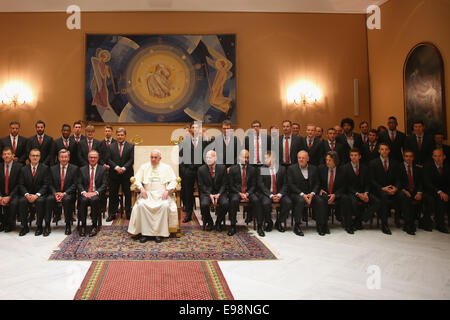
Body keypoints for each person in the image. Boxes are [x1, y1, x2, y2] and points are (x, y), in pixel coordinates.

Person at [128, 150, 178, 243]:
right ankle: (145, 233)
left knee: (164, 206)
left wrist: (167, 190)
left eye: (155, 157)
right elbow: (136, 180)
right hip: (148, 194)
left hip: (162, 194)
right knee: (142, 205)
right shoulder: (144, 167)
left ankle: (159, 234)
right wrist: (141, 188)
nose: (153, 159)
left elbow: (174, 181)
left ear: (160, 158)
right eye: (151, 157)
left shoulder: (167, 167)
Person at [342, 148, 380, 233]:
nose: (353, 157)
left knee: (377, 201)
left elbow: (368, 182)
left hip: (364, 192)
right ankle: (357, 221)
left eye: (355, 155)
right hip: (352, 193)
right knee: (354, 203)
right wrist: (358, 194)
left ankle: (360, 219)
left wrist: (366, 193)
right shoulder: (345, 168)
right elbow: (346, 185)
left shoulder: (365, 167)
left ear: (360, 156)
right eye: (351, 155)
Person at [228, 149, 263, 236]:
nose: (246, 159)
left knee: (256, 200)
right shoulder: (233, 169)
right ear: (240, 157)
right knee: (234, 200)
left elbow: (254, 185)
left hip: (249, 192)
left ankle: (259, 226)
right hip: (236, 192)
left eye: (247, 157)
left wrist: (247, 194)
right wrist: (240, 194)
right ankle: (232, 226)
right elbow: (231, 185)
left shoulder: (252, 169)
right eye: (244, 157)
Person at [287, 150, 322, 237]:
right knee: (300, 201)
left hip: (311, 193)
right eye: (299, 158)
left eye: (303, 158)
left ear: (308, 159)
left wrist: (312, 193)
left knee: (320, 201)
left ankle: (320, 225)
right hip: (297, 193)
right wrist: (302, 194)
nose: (301, 159)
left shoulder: (314, 168)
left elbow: (317, 183)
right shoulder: (292, 168)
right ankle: (297, 226)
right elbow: (291, 185)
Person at [369, 143, 401, 235]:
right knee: (384, 197)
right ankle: (384, 224)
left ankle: (407, 223)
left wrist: (396, 188)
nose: (384, 151)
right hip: (379, 190)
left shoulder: (395, 163)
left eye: (386, 149)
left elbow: (398, 179)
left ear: (389, 151)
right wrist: (382, 188)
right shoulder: (373, 163)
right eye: (382, 149)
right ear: (379, 151)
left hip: (392, 189)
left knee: (402, 195)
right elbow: (371, 180)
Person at [179, 121, 207, 223]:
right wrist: (184, 170)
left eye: (197, 128)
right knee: (188, 194)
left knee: (202, 192)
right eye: (193, 127)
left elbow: (207, 156)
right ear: (190, 129)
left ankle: (204, 215)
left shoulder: (204, 141)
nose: (195, 129)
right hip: (188, 171)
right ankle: (188, 215)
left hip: (201, 171)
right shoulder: (184, 141)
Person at [45, 149, 79, 235]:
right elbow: (49, 184)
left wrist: (64, 193)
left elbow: (75, 184)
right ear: (58, 158)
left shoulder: (74, 169)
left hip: (68, 193)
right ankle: (47, 225)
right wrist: (55, 193)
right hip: (55, 193)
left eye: (65, 157)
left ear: (69, 158)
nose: (63, 159)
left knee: (67, 200)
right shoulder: (52, 169)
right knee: (48, 199)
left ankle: (68, 225)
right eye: (62, 157)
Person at [257, 151, 292, 233]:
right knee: (265, 203)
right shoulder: (262, 169)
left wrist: (279, 195)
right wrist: (271, 195)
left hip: (279, 193)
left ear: (273, 159)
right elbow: (261, 185)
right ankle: (269, 222)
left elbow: (285, 184)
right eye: (264, 158)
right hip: (267, 194)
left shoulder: (282, 169)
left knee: (288, 202)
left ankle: (279, 222)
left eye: (267, 158)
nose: (265, 160)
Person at [18, 149, 50, 236]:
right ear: (29, 157)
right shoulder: (23, 169)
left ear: (40, 157)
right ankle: (24, 227)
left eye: (37, 155)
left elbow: (46, 185)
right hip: (27, 194)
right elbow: (21, 185)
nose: (35, 157)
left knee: (40, 201)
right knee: (22, 201)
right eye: (33, 155)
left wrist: (37, 195)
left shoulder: (45, 168)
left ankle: (39, 226)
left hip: (40, 194)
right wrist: (27, 194)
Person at [197, 150, 229, 232]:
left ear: (215, 158)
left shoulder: (222, 168)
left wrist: (219, 194)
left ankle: (218, 222)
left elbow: (224, 184)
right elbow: (201, 185)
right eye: (206, 157)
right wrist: (209, 194)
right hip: (207, 193)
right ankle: (210, 222)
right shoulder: (201, 169)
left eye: (210, 157)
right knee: (203, 204)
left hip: (220, 192)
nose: (208, 159)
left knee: (225, 204)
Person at [77, 150, 107, 237]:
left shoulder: (102, 169)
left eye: (95, 157)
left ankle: (94, 226)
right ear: (88, 158)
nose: (93, 159)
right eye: (91, 157)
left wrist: (96, 192)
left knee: (94, 200)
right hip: (85, 193)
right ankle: (83, 226)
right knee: (83, 200)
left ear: (98, 158)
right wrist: (83, 192)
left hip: (96, 194)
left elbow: (104, 184)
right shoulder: (82, 169)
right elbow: (79, 183)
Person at [107, 128, 134, 221]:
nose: (120, 137)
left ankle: (128, 213)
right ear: (116, 136)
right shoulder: (111, 146)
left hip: (127, 174)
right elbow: (108, 159)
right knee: (113, 194)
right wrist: (116, 167)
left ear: (125, 136)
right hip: (114, 174)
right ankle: (112, 213)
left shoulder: (131, 146)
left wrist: (123, 168)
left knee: (128, 194)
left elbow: (131, 159)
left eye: (122, 135)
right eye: (118, 135)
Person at [317, 151, 345, 235]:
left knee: (346, 199)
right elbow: (316, 182)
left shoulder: (342, 170)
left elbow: (344, 186)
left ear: (335, 161)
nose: (327, 162)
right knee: (323, 200)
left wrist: (335, 195)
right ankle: (323, 225)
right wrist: (320, 189)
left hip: (336, 193)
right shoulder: (321, 168)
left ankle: (347, 222)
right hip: (324, 193)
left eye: (330, 160)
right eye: (326, 160)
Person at [423, 149, 449, 233]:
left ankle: (441, 224)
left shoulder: (448, 167)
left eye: (440, 156)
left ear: (444, 157)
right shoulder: (427, 166)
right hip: (430, 191)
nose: (438, 158)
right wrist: (440, 192)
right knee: (436, 199)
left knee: (443, 198)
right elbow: (427, 183)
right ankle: (433, 224)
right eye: (435, 156)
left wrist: (446, 193)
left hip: (444, 192)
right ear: (432, 157)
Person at [398, 150, 423, 235]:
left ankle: (419, 222)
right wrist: (404, 190)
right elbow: (397, 181)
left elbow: (420, 182)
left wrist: (419, 192)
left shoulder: (418, 168)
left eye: (410, 156)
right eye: (407, 156)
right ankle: (409, 225)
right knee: (405, 198)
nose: (409, 158)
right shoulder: (399, 167)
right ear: (404, 157)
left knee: (425, 198)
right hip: (403, 190)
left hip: (415, 191)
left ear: (413, 158)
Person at [0, 147, 22, 232]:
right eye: (4, 154)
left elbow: (19, 184)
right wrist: (0, 196)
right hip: (2, 193)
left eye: (8, 154)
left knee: (13, 203)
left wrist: (9, 196)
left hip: (14, 193)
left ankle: (10, 224)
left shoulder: (19, 167)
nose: (6, 156)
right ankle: (2, 223)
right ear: (2, 156)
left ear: (13, 155)